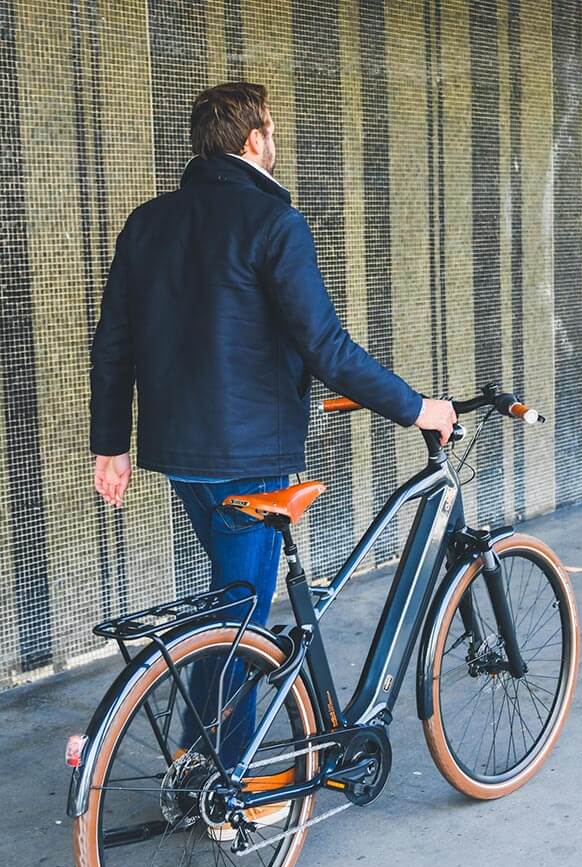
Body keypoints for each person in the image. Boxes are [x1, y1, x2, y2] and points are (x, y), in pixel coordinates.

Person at [89, 81, 455, 822]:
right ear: (255, 137)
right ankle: (240, 787)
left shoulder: (148, 222)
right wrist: (418, 407)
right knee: (246, 618)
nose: (276, 140)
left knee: (228, 603)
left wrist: (110, 447)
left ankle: (197, 755)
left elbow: (115, 343)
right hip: (248, 454)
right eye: (274, 131)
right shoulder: (273, 220)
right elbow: (325, 345)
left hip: (178, 452)